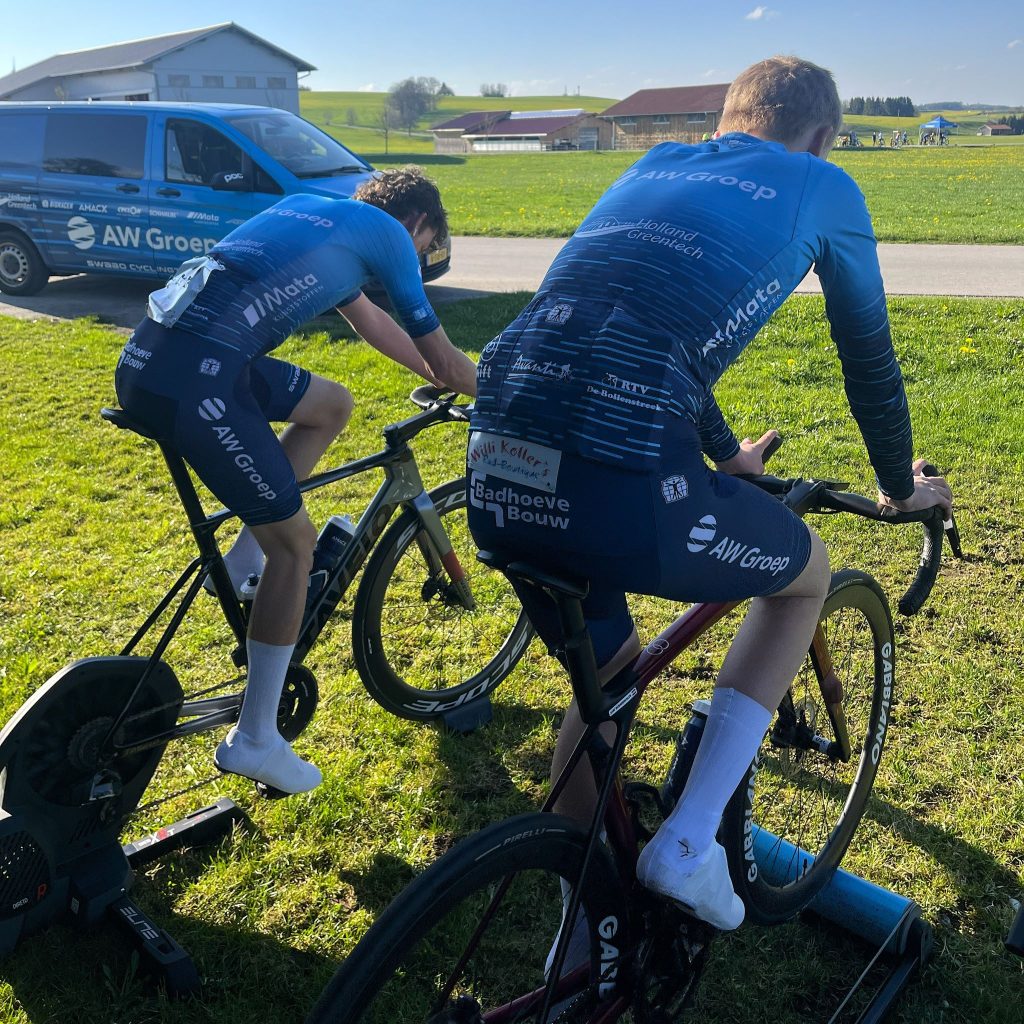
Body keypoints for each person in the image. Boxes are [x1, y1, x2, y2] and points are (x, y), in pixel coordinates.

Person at [467, 56, 951, 931]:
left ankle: (584, 935)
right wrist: (897, 488)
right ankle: (688, 844)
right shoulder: (823, 185)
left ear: (726, 120)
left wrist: (726, 455)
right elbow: (870, 362)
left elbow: (630, 328)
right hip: (621, 471)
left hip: (497, 449)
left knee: (605, 683)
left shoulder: (653, 164)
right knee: (804, 577)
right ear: (822, 136)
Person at [115, 168, 477, 794]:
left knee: (331, 404)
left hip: (152, 360)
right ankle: (255, 738)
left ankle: (239, 564)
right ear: (420, 223)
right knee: (296, 546)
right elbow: (444, 356)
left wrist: (435, 375)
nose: (419, 257)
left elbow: (372, 323)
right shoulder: (392, 235)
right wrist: (504, 397)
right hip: (199, 379)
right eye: (427, 247)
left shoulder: (320, 213)